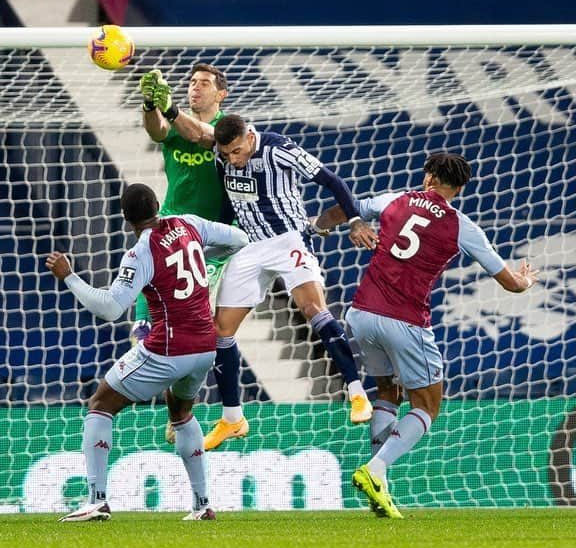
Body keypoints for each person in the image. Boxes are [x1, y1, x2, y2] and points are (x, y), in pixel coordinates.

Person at [315, 152, 539, 518]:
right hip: (404, 322)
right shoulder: (461, 225)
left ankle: (378, 487)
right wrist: (527, 279)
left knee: (388, 392)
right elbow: (511, 283)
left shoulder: (395, 199)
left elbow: (347, 207)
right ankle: (375, 469)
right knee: (427, 406)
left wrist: (318, 225)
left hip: (361, 313)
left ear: (428, 177)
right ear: (460, 188)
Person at [45, 183, 248, 522]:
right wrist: (200, 254)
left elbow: (110, 308)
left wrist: (69, 277)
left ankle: (96, 500)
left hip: (169, 347)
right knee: (181, 412)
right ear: (157, 204)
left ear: (126, 219)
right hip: (205, 347)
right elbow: (239, 240)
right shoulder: (189, 224)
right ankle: (202, 505)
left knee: (101, 403)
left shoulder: (141, 253)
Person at [204, 113, 380, 450]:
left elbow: (331, 180)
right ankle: (232, 418)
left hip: (289, 241)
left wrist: (355, 219)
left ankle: (357, 394)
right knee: (221, 330)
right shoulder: (222, 154)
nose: (233, 160)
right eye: (227, 154)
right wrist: (223, 240)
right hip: (250, 245)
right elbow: (228, 201)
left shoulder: (279, 149)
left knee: (313, 308)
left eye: (237, 152)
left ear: (250, 138)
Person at [138, 64, 241, 442]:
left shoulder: (230, 130)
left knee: (199, 328)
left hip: (212, 241)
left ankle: (190, 406)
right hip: (168, 233)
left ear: (221, 94)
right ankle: (177, 406)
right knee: (152, 330)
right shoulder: (173, 121)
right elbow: (158, 131)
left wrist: (168, 108)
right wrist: (151, 104)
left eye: (204, 84)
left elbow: (202, 135)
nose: (195, 88)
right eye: (191, 83)